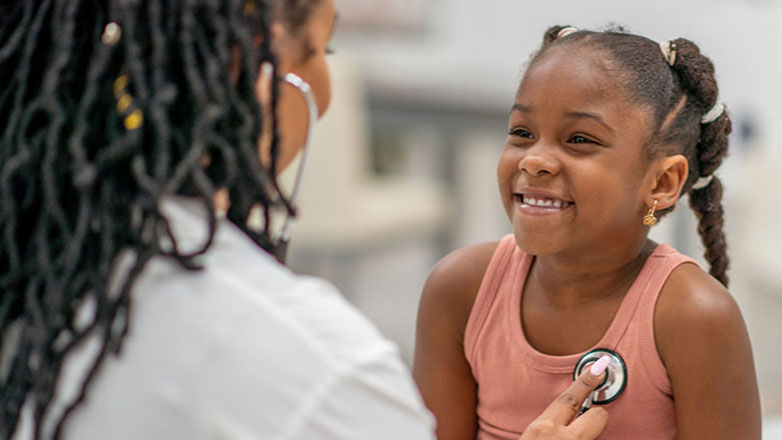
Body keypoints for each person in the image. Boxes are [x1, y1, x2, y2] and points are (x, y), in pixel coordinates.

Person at [0, 1, 609, 438]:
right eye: (320, 50)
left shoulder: (37, 271)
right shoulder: (318, 372)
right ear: (248, 73)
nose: (325, 85)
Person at [413, 25, 762, 440]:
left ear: (663, 183)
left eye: (579, 139)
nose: (535, 161)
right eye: (521, 133)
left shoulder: (693, 317)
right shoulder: (460, 290)